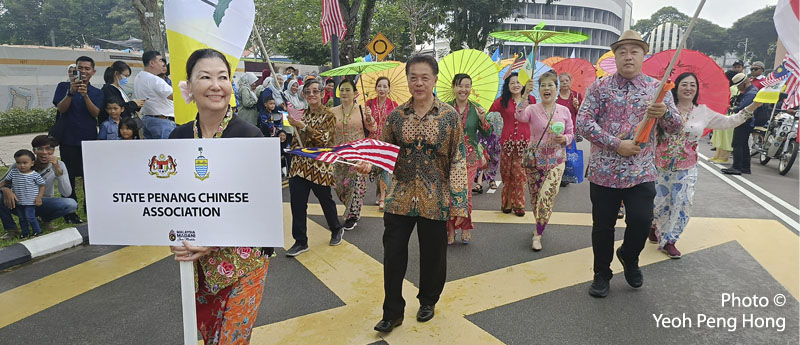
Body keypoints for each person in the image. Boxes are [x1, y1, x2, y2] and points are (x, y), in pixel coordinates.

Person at [359, 55, 468, 333]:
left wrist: (458, 203)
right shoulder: (396, 116)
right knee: (393, 255)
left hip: (435, 198)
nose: (418, 83)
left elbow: (458, 158)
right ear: (407, 79)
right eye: (413, 77)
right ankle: (392, 311)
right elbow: (384, 151)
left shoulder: (449, 116)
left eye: (424, 77)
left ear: (434, 80)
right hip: (400, 197)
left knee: (434, 256)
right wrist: (369, 163)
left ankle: (428, 299)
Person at [168, 48, 270, 345]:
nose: (216, 85)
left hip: (245, 259)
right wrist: (174, 234)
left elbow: (260, 206)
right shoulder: (179, 137)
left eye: (223, 77)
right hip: (197, 262)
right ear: (188, 86)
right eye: (206, 77)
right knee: (210, 336)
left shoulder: (250, 136)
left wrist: (212, 241)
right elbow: (171, 198)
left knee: (231, 340)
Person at [577, 30, 682, 298]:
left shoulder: (657, 90)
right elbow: (584, 123)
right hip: (604, 172)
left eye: (634, 51)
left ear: (643, 55)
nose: (628, 56)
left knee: (641, 220)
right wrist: (615, 143)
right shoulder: (599, 88)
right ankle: (601, 273)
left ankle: (629, 256)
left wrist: (665, 112)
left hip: (641, 171)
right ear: (615, 56)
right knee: (603, 227)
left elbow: (675, 127)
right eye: (622, 51)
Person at [651, 72, 763, 258]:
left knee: (683, 201)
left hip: (688, 167)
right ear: (675, 87)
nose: (688, 88)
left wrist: (753, 106)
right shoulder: (664, 108)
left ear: (697, 89)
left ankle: (669, 240)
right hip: (660, 166)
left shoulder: (702, 112)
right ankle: (655, 225)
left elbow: (730, 122)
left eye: (692, 85)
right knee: (660, 204)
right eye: (684, 84)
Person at [284, 79, 346, 257]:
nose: (311, 95)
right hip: (299, 165)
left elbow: (325, 140)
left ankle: (336, 228)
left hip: (319, 166)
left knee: (325, 200)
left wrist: (302, 127)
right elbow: (296, 139)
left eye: (315, 91)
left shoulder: (329, 116)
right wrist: (286, 134)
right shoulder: (300, 114)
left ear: (322, 94)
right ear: (304, 95)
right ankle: (300, 241)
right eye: (308, 92)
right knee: (297, 204)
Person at [516, 71, 574, 251]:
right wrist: (525, 94)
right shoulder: (532, 109)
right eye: (543, 86)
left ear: (557, 89)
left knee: (546, 197)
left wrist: (564, 139)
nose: (546, 88)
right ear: (539, 90)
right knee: (535, 198)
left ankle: (538, 233)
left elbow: (571, 133)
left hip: (556, 161)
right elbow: (519, 116)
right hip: (535, 161)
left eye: (550, 85)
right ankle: (539, 222)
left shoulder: (563, 110)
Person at [53, 56, 103, 224]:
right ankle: (70, 211)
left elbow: (96, 113)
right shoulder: (63, 87)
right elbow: (61, 108)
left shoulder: (97, 92)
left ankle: (91, 208)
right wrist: (71, 93)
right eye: (80, 68)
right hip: (68, 139)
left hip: (88, 140)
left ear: (93, 72)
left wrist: (86, 96)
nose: (83, 71)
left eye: (87, 68)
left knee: (89, 177)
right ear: (74, 69)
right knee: (69, 178)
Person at [0, 135, 78, 239]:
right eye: (40, 148)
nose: (45, 152)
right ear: (34, 151)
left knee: (71, 204)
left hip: (43, 203)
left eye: (49, 148)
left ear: (54, 151)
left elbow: (66, 193)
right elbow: (2, 183)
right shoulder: (21, 164)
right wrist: (6, 190)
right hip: (21, 202)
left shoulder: (60, 165)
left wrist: (58, 171)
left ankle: (45, 220)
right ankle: (11, 229)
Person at [446, 73, 491, 244]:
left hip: (470, 158)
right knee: (450, 195)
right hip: (450, 158)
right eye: (460, 85)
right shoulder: (446, 108)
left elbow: (487, 132)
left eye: (467, 86)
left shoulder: (476, 108)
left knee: (466, 195)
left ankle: (465, 227)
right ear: (453, 87)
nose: (463, 89)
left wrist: (483, 120)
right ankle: (450, 230)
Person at [330, 79, 377, 231]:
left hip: (358, 153)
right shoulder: (333, 111)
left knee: (356, 184)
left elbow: (373, 128)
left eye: (347, 90)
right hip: (339, 154)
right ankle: (349, 206)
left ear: (355, 93)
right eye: (341, 89)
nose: (343, 93)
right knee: (339, 185)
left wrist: (369, 118)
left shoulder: (363, 109)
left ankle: (352, 215)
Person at [490, 73, 531, 216]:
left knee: (520, 174)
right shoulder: (502, 101)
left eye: (518, 82)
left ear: (523, 84)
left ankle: (519, 204)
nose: (516, 85)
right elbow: (489, 109)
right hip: (507, 142)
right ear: (507, 86)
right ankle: (506, 202)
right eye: (512, 83)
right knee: (506, 174)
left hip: (523, 143)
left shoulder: (531, 99)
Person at [365, 76, 399, 211]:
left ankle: (382, 197)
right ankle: (380, 191)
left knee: (385, 169)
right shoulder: (369, 103)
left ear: (389, 89)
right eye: (379, 86)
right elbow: (366, 125)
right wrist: (367, 117)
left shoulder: (394, 105)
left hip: (387, 142)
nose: (382, 89)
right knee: (375, 171)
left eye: (385, 86)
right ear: (375, 88)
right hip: (372, 141)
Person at [0, 150, 45, 238]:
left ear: (32, 163)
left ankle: (37, 231)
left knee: (30, 217)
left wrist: (39, 197)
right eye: (18, 163)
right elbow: (6, 181)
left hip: (31, 202)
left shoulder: (34, 175)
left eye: (25, 163)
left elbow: (42, 186)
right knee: (22, 218)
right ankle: (25, 232)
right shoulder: (14, 173)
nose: (22, 165)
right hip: (19, 202)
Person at [722, 76, 761, 175]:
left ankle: (737, 167)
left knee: (737, 144)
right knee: (743, 145)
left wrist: (734, 109)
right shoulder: (751, 91)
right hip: (748, 120)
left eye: (738, 86)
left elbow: (744, 108)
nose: (738, 88)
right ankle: (745, 167)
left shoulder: (751, 93)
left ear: (744, 83)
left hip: (745, 121)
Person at [135, 50, 175, 139]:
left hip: (147, 119)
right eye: (160, 60)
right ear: (152, 63)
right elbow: (173, 96)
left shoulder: (139, 78)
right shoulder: (154, 79)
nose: (163, 64)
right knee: (166, 151)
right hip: (162, 122)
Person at [556, 72, 584, 187]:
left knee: (569, 153)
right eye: (562, 81)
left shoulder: (576, 96)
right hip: (557, 129)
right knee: (558, 153)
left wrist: (577, 106)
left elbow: (581, 114)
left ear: (570, 81)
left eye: (566, 81)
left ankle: (566, 175)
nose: (564, 83)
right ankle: (558, 174)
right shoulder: (555, 96)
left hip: (570, 130)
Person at [711, 73, 747, 163]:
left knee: (726, 137)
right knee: (719, 135)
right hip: (723, 113)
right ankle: (717, 155)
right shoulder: (728, 88)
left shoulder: (734, 89)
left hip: (729, 114)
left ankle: (723, 157)